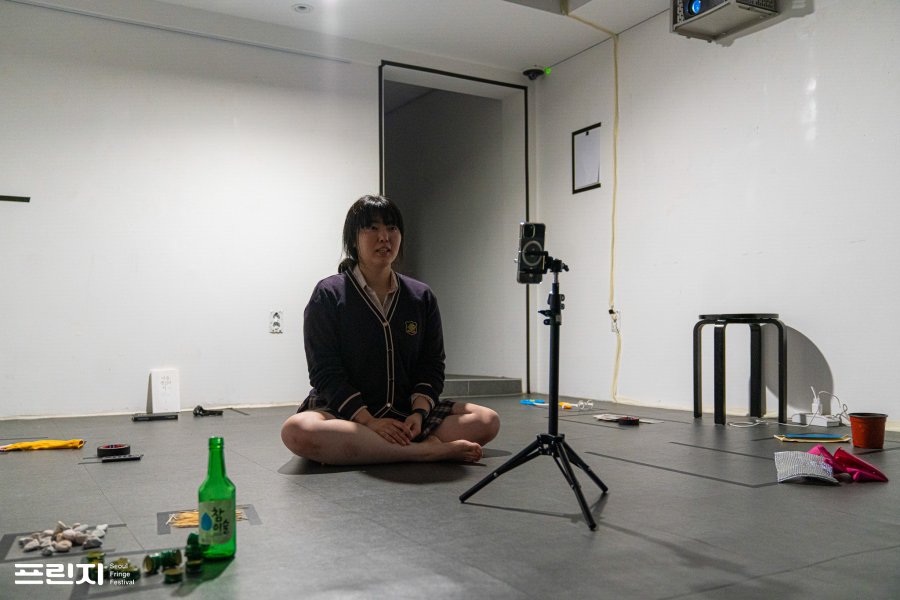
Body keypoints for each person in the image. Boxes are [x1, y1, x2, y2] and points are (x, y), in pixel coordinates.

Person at [281, 195, 500, 465]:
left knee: (487, 420)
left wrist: (419, 414)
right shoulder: (329, 294)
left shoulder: (421, 296)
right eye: (372, 228)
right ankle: (424, 451)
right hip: (348, 416)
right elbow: (324, 371)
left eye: (392, 228)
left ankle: (380, 448)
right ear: (353, 239)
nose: (384, 237)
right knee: (297, 431)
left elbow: (432, 364)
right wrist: (369, 421)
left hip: (405, 414)